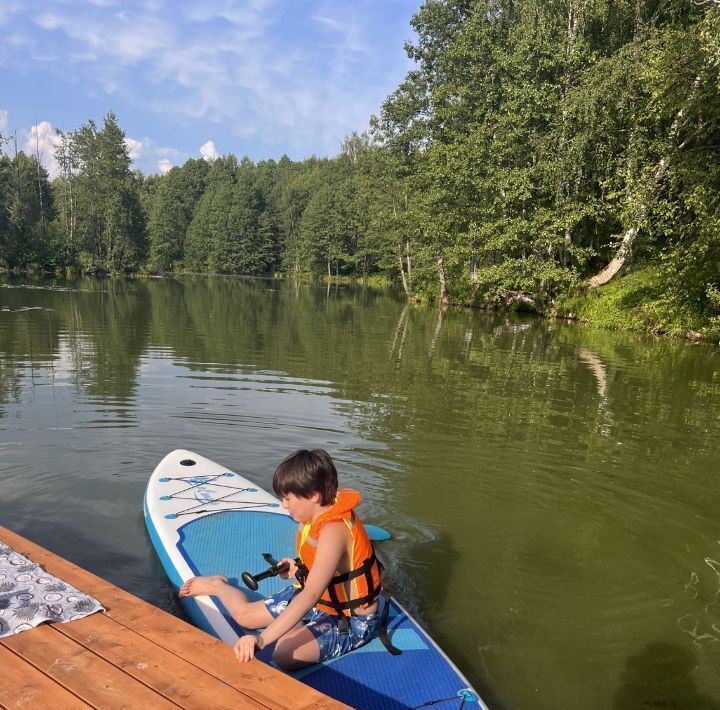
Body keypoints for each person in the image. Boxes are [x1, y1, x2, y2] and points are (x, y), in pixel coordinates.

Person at [179, 448, 383, 669]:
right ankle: (217, 586)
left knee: (284, 653)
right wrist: (299, 569)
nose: (284, 505)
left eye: (287, 498)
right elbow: (325, 569)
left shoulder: (333, 531)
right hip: (323, 601)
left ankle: (295, 626)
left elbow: (311, 593)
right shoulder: (316, 514)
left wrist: (262, 638)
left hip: (351, 620)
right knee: (244, 617)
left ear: (313, 495)